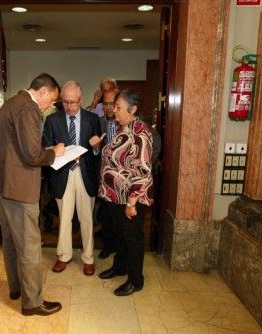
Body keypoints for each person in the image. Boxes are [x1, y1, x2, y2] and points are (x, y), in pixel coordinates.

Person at [0, 73, 65, 316]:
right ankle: (32, 302)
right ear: (42, 92)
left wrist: (46, 149)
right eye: (51, 100)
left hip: (5, 185)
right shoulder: (29, 108)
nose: (51, 106)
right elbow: (31, 156)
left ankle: (16, 288)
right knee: (30, 246)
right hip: (20, 188)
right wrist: (55, 153)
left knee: (11, 241)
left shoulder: (11, 103)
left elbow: (18, 146)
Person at [96, 89, 154, 296]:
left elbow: (142, 172)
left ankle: (136, 280)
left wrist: (131, 204)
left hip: (130, 199)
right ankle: (120, 267)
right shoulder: (124, 128)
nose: (114, 110)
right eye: (114, 106)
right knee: (120, 235)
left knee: (133, 239)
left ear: (133, 109)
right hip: (114, 196)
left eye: (119, 107)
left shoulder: (140, 133)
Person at [42, 80, 102, 276]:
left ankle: (88, 258)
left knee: (86, 219)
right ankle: (63, 255)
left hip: (85, 175)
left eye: (73, 102)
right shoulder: (52, 120)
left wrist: (95, 148)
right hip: (62, 175)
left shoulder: (93, 119)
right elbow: (46, 148)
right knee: (65, 218)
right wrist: (54, 150)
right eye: (65, 102)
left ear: (81, 99)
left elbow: (99, 152)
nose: (68, 106)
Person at [96, 88, 119, 259]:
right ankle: (107, 246)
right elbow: (92, 151)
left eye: (112, 104)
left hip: (121, 180)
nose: (109, 107)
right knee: (105, 215)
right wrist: (96, 149)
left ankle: (120, 248)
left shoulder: (125, 124)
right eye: (106, 104)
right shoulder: (98, 122)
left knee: (119, 216)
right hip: (104, 178)